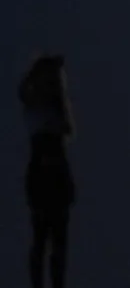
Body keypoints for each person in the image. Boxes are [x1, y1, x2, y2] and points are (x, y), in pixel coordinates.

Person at [20, 54, 76, 288]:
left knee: (50, 240)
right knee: (47, 240)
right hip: (47, 178)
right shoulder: (41, 110)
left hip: (50, 178)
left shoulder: (44, 110)